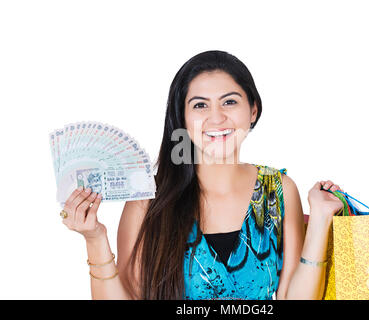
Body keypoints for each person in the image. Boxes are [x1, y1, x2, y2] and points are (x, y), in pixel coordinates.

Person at [59, 50, 344, 300]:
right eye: (200, 105)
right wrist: (95, 238)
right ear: (181, 118)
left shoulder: (278, 189)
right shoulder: (148, 200)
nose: (216, 117)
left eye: (230, 102)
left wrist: (320, 218)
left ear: (253, 110)